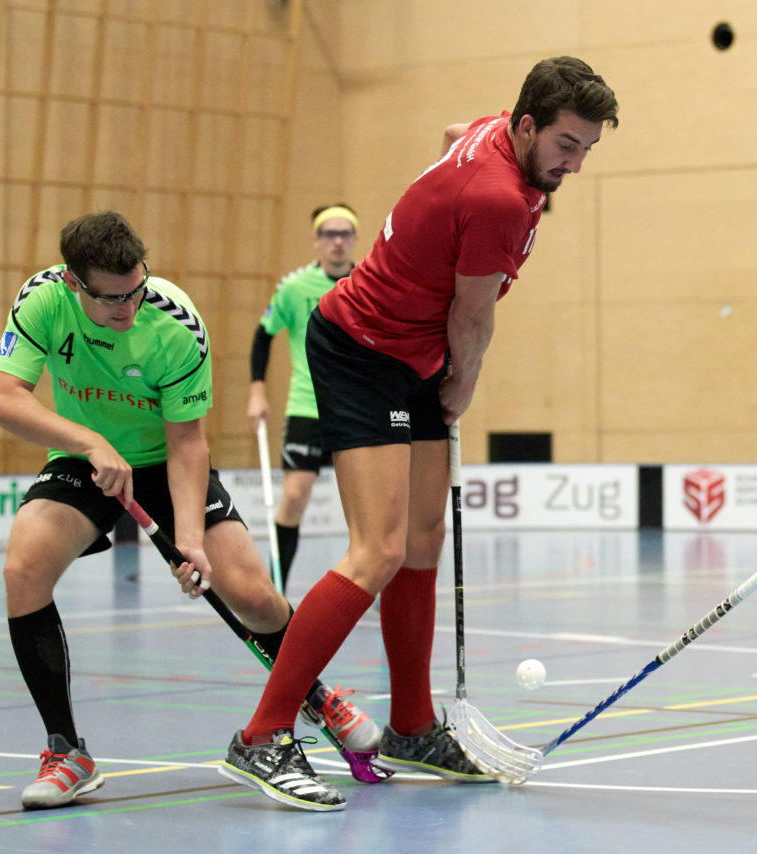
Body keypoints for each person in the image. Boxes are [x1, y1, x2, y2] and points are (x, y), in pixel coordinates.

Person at [218, 56, 619, 811]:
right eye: (567, 144)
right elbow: (473, 316)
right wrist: (461, 386)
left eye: (588, 147)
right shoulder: (499, 195)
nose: (577, 162)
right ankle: (262, 735)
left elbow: (451, 133)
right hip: (363, 350)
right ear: (527, 125)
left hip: (412, 353)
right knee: (380, 550)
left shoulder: (495, 135)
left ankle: (410, 725)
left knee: (426, 541)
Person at [0, 211, 381, 811]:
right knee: (23, 570)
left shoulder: (174, 322)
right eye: (111, 298)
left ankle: (315, 695)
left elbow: (187, 442)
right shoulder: (42, 300)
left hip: (163, 458)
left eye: (136, 289)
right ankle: (67, 752)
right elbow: (4, 400)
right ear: (74, 283)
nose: (127, 307)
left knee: (252, 592)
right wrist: (91, 443)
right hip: (83, 457)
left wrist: (191, 541)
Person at [247, 204, 359, 589]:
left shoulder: (368, 283)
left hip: (359, 408)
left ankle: (369, 583)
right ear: (316, 241)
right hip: (307, 406)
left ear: (354, 240)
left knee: (367, 507)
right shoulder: (294, 288)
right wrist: (257, 392)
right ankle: (275, 589)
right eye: (330, 234)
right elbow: (264, 334)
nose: (338, 242)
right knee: (294, 496)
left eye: (345, 234)